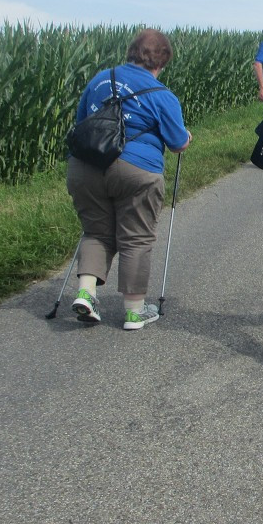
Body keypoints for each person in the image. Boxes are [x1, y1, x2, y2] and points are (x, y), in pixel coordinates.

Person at [67, 29, 192, 330]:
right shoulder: (162, 95)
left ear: (131, 51)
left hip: (86, 167)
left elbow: (81, 122)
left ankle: (86, 293)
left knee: (96, 231)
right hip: (137, 170)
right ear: (162, 61)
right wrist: (186, 137)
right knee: (136, 236)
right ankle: (134, 312)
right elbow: (177, 142)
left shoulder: (99, 80)